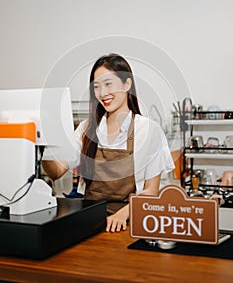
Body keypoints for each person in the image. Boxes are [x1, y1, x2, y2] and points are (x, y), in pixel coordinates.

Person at [42, 53, 174, 232]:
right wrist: (48, 143)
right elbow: (56, 171)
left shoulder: (149, 131)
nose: (102, 93)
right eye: (96, 87)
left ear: (127, 84)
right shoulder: (86, 129)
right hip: (89, 222)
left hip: (129, 223)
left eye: (108, 84)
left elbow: (151, 190)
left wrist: (123, 214)